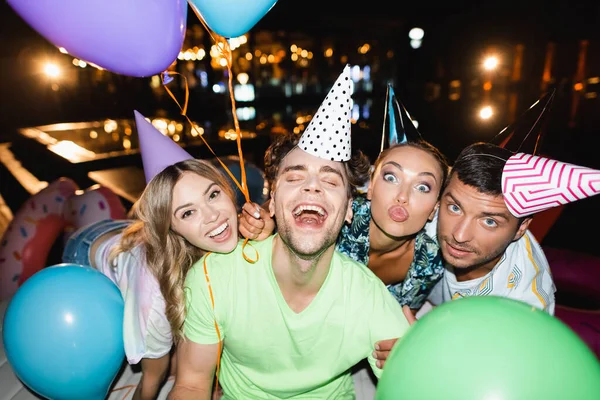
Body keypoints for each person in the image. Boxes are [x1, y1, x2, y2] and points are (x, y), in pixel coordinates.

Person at [170, 65, 410, 399]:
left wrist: (418, 354)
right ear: (271, 199)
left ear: (348, 210)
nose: (312, 188)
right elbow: (192, 384)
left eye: (329, 180)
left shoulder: (370, 300)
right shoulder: (213, 279)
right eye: (295, 178)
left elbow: (415, 384)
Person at [373, 141, 600, 366]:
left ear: (521, 228)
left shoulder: (524, 302)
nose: (459, 235)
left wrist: (431, 352)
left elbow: (497, 369)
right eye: (454, 208)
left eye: (489, 221)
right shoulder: (425, 214)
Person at [62, 112, 239, 400]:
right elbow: (151, 376)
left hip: (124, 231)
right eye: (188, 212)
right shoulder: (154, 288)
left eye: (213, 195)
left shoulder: (225, 229)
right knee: (160, 365)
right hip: (87, 247)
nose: (213, 215)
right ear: (170, 227)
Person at [240, 84, 450, 315]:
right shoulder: (336, 216)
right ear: (370, 187)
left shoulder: (432, 260)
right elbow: (294, 196)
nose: (403, 197)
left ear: (434, 209)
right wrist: (264, 219)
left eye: (422, 187)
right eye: (391, 177)